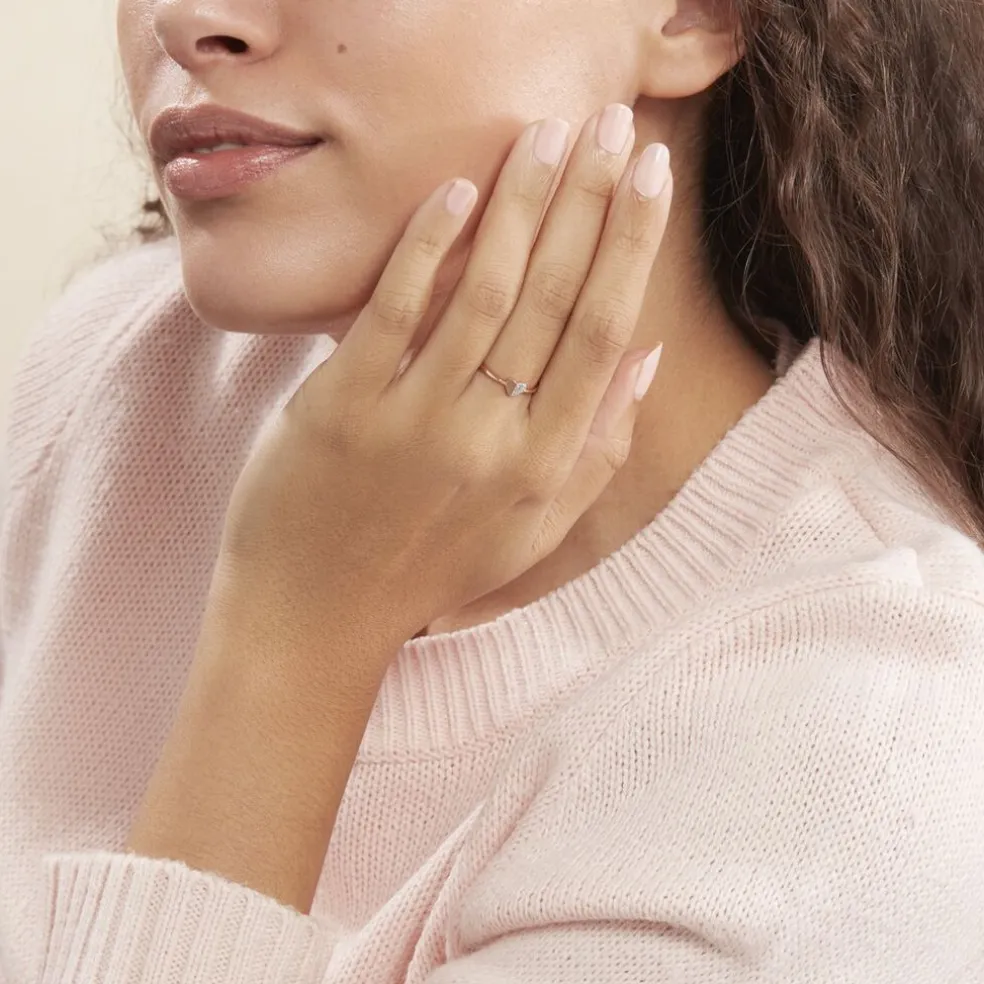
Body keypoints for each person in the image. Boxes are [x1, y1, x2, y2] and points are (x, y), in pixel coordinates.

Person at [2, 0, 984, 978]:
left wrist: (292, 642)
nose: (186, 20)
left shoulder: (854, 759)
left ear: (694, 15)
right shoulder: (113, 376)